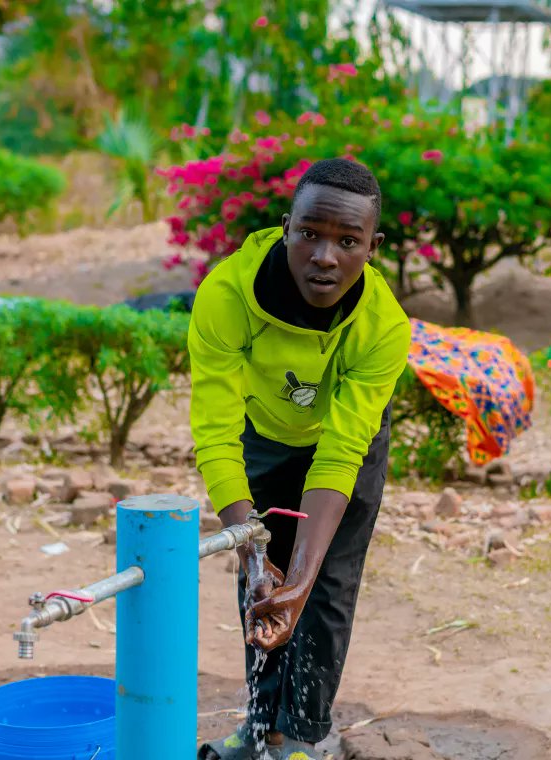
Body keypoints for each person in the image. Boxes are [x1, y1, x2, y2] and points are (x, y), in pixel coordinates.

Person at [190, 158, 410, 760]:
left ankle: (304, 740)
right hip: (264, 433)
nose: (324, 256)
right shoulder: (228, 294)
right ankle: (259, 728)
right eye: (310, 233)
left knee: (327, 584)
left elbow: (341, 453)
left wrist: (304, 575)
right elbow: (214, 431)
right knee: (262, 584)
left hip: (344, 445)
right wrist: (254, 551)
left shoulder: (383, 325)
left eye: (348, 241)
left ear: (373, 246)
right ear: (287, 226)